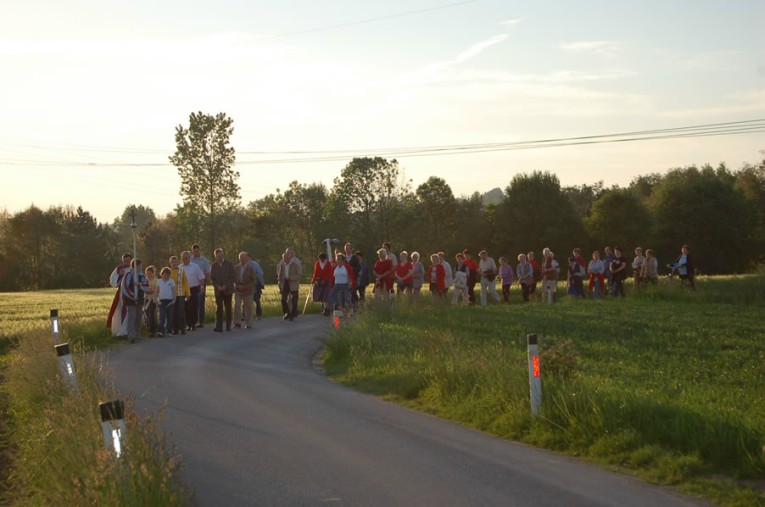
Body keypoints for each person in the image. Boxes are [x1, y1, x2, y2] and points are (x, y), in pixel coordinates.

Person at [122, 258, 149, 344]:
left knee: (138, 317)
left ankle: (137, 335)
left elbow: (146, 286)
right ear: (136, 266)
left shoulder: (142, 276)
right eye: (140, 266)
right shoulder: (128, 275)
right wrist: (132, 296)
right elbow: (124, 287)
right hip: (130, 300)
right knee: (132, 317)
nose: (141, 267)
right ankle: (131, 336)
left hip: (140, 299)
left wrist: (139, 285)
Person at [107, 252, 133, 337]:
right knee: (120, 311)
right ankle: (121, 331)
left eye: (128, 261)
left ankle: (129, 331)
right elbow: (112, 279)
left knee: (130, 312)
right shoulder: (119, 268)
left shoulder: (133, 268)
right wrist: (119, 276)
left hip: (131, 293)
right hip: (122, 293)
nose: (126, 263)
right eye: (124, 261)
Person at [210, 248, 236, 331]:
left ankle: (228, 325)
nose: (219, 257)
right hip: (218, 290)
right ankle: (219, 326)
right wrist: (217, 286)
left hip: (228, 290)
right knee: (219, 308)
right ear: (215, 257)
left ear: (223, 255)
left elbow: (233, 277)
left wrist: (226, 286)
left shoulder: (229, 264)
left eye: (221, 255)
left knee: (228, 308)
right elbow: (212, 278)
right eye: (218, 256)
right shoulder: (214, 265)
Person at [181, 250, 205, 331]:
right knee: (186, 307)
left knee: (193, 307)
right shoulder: (180, 268)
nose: (185, 260)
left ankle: (193, 323)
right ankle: (188, 324)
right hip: (184, 290)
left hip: (193, 289)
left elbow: (201, 277)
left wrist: (202, 287)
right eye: (184, 258)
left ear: (189, 258)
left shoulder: (195, 266)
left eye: (187, 258)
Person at [276, 248, 302, 320]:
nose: (285, 259)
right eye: (284, 258)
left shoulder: (296, 263)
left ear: (290, 257)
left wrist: (291, 277)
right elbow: (279, 274)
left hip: (293, 284)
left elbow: (299, 274)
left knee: (294, 301)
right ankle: (287, 313)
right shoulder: (282, 264)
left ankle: (292, 314)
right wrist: (279, 281)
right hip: (285, 283)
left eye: (287, 257)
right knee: (283, 299)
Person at [234, 252, 257, 329]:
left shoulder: (251, 268)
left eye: (243, 257)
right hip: (238, 289)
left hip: (248, 290)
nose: (242, 259)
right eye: (240, 257)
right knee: (237, 305)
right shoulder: (236, 268)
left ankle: (248, 323)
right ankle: (237, 322)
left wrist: (245, 287)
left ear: (247, 258)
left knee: (248, 307)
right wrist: (237, 286)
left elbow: (254, 280)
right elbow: (232, 278)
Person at [190, 244, 211, 328]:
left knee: (200, 302)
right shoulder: (190, 260)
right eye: (194, 251)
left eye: (197, 251)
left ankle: (201, 320)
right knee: (193, 302)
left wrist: (204, 281)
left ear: (199, 251)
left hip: (201, 283)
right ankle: (193, 320)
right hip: (192, 284)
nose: (196, 252)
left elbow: (207, 272)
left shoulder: (204, 260)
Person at [169, 255, 190, 336]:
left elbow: (185, 282)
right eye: (172, 262)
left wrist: (188, 294)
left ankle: (183, 328)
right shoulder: (168, 272)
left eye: (175, 261)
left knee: (181, 311)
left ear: (177, 262)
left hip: (181, 294)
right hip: (171, 295)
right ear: (170, 263)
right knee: (173, 312)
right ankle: (175, 329)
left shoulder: (181, 271)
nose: (174, 263)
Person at [156, 267, 176, 337]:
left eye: (168, 275)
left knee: (170, 316)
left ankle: (169, 331)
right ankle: (161, 331)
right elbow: (156, 291)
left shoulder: (171, 281)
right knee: (162, 316)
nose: (166, 276)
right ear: (162, 274)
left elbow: (174, 291)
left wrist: (174, 300)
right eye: (164, 274)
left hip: (170, 301)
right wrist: (155, 299)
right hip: (162, 301)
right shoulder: (159, 281)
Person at [247, 254, 265, 320]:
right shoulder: (243, 265)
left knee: (257, 300)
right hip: (247, 285)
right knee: (246, 300)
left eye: (247, 257)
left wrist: (254, 276)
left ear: (250, 257)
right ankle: (245, 315)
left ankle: (259, 314)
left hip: (255, 285)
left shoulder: (255, 264)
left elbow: (260, 273)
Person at [144, 265, 159, 337]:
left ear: (153, 273)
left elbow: (156, 290)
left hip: (153, 300)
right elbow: (143, 289)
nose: (148, 275)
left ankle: (152, 330)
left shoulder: (156, 281)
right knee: (147, 315)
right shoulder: (145, 281)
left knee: (152, 315)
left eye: (149, 273)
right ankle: (149, 329)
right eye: (147, 273)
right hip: (146, 300)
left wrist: (150, 291)